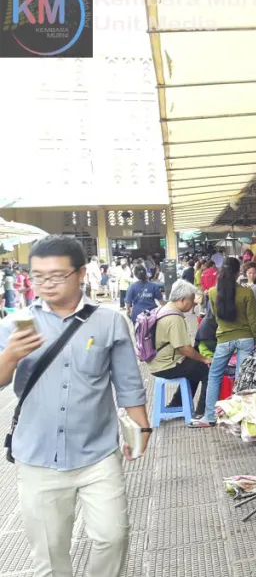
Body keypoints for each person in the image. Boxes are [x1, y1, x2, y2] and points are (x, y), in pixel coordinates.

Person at [0, 235, 150, 577]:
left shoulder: (109, 321)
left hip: (97, 453)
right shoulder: (15, 326)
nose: (46, 284)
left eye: (57, 275)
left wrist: (141, 428)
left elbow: (128, 382)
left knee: (113, 536)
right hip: (38, 457)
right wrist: (10, 356)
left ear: (81, 273)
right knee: (50, 552)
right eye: (38, 276)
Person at [192, 257, 256, 428]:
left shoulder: (213, 292)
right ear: (239, 273)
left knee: (214, 376)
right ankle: (240, 418)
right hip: (246, 339)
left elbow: (215, 317)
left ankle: (209, 417)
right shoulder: (246, 293)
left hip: (223, 339)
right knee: (241, 378)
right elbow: (253, 322)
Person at [148, 281, 211, 414]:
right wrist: (205, 359)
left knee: (194, 367)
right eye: (191, 300)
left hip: (157, 361)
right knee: (208, 371)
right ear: (182, 300)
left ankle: (177, 404)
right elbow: (184, 349)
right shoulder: (174, 318)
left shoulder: (164, 308)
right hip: (166, 365)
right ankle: (203, 412)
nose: (194, 304)